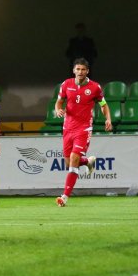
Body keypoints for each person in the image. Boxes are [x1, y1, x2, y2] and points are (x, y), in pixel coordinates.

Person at [54, 58, 112, 207]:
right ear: (74, 70)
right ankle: (87, 161)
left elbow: (103, 105)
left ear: (87, 71)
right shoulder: (66, 84)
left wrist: (108, 119)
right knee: (68, 162)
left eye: (83, 69)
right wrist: (58, 109)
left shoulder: (95, 87)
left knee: (73, 159)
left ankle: (64, 197)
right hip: (68, 127)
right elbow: (59, 101)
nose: (80, 72)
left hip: (84, 128)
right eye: (78, 69)